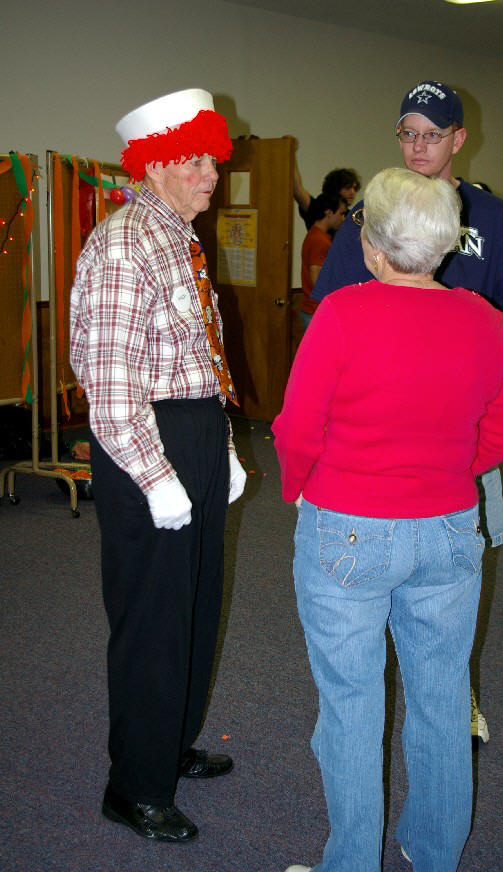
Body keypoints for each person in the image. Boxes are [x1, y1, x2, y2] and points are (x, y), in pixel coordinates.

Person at [273, 167, 503, 872]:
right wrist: (444, 470)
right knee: (443, 697)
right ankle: (433, 852)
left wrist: (299, 489)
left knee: (351, 701)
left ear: (374, 247)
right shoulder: (483, 318)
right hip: (449, 529)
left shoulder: (342, 314)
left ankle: (353, 863)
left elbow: (297, 429)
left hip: (347, 527)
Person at [311, 79, 503, 742]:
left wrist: (468, 333)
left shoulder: (491, 216)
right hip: (375, 426)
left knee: (448, 573)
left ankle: (454, 693)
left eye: (432, 135)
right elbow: (331, 308)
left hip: (459, 426)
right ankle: (376, 691)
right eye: (408, 133)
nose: (418, 147)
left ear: (458, 139)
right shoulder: (372, 212)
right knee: (365, 575)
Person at [70, 88, 246, 843]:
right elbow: (109, 386)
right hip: (147, 443)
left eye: (214, 159)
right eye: (195, 161)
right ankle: (135, 787)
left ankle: (169, 745)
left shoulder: (179, 236)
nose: (212, 175)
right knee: (152, 620)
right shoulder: (123, 243)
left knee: (195, 608)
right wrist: (156, 475)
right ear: (154, 164)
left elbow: (197, 357)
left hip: (194, 432)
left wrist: (223, 449)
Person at [300, 193, 348, 329]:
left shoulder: (315, 235)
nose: (343, 219)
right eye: (341, 214)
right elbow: (317, 280)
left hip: (314, 310)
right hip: (316, 312)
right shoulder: (319, 241)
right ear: (329, 213)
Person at [292, 147, 360, 229]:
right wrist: (291, 151)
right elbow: (297, 189)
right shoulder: (317, 207)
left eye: (354, 188)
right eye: (347, 187)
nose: (352, 192)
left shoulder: (351, 216)